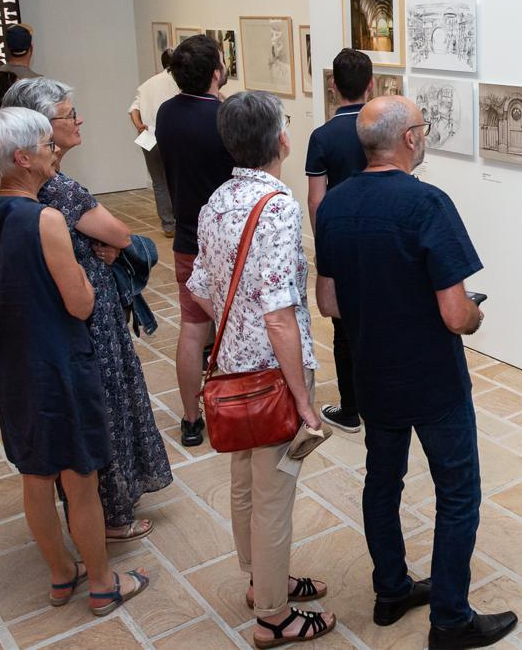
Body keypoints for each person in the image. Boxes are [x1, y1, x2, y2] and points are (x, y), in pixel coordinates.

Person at [314, 96, 517, 649]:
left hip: (373, 374)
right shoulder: (427, 203)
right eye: (422, 128)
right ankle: (450, 620)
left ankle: (391, 591)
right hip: (432, 379)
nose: (424, 136)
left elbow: (328, 301)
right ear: (409, 139)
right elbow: (455, 314)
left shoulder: (332, 205)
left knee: (383, 482)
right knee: (457, 492)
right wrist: (475, 313)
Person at [0, 107, 149, 616]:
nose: (53, 152)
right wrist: (90, 272)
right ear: (22, 158)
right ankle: (106, 584)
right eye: (46, 146)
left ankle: (62, 575)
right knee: (80, 480)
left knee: (35, 476)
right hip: (62, 362)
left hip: (14, 366)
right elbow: (80, 303)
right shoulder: (44, 218)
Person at [186, 91, 336, 647]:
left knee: (246, 484)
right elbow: (279, 315)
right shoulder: (276, 206)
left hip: (230, 371)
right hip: (272, 377)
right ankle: (274, 616)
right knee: (275, 495)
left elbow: (200, 288)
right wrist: (301, 398)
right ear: (281, 140)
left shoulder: (217, 201)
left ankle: (260, 582)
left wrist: (236, 323)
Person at [3, 77, 173, 541]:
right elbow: (117, 233)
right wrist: (118, 244)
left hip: (60, 315)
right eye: (68, 115)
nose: (78, 121)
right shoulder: (61, 191)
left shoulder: (16, 186)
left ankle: (99, 509)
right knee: (104, 409)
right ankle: (111, 516)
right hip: (86, 316)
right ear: (41, 128)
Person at [155, 35, 233, 446]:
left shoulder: (166, 113)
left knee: (192, 328)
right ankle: (238, 407)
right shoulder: (223, 117)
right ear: (216, 72)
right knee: (235, 326)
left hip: (187, 237)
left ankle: (190, 419)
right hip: (227, 239)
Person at [304, 48, 371, 434]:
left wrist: (323, 246)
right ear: (371, 84)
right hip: (380, 237)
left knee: (344, 329)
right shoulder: (379, 128)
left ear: (333, 85)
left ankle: (351, 409)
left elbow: (317, 199)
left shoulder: (323, 136)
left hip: (342, 241)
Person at [129, 49, 179, 238]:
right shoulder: (177, 82)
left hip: (148, 135)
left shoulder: (147, 84)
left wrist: (139, 125)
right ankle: (180, 220)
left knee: (159, 181)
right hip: (170, 135)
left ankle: (168, 225)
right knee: (175, 179)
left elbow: (133, 109)